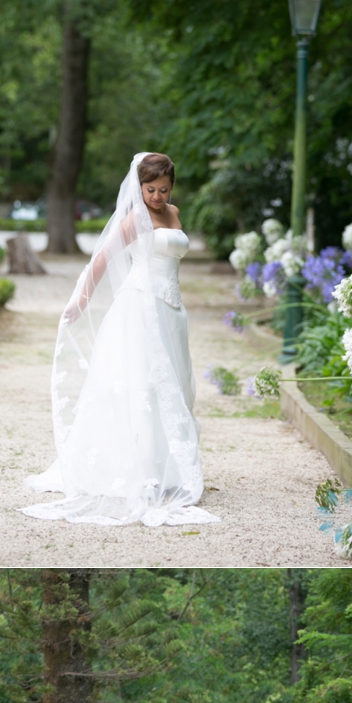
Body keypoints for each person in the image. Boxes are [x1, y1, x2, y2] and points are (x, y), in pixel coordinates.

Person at [22, 151, 218, 527]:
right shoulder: (134, 219)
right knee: (141, 383)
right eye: (150, 190)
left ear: (171, 187)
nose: (157, 197)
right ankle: (140, 467)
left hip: (172, 310)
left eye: (163, 190)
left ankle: (169, 468)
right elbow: (102, 260)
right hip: (140, 307)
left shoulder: (174, 214)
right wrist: (80, 301)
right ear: (139, 187)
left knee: (174, 385)